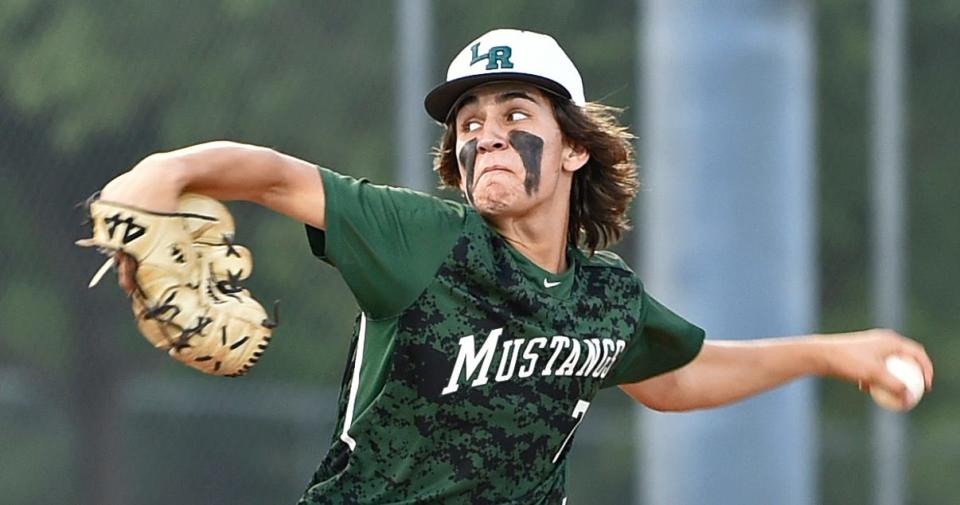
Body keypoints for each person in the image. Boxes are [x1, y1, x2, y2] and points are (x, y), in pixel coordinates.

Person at [100, 29, 933, 504]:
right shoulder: (424, 239)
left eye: (514, 112)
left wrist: (830, 352)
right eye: (468, 121)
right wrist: (161, 175)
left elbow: (676, 376)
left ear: (573, 147)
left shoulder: (604, 296)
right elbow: (277, 175)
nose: (483, 132)